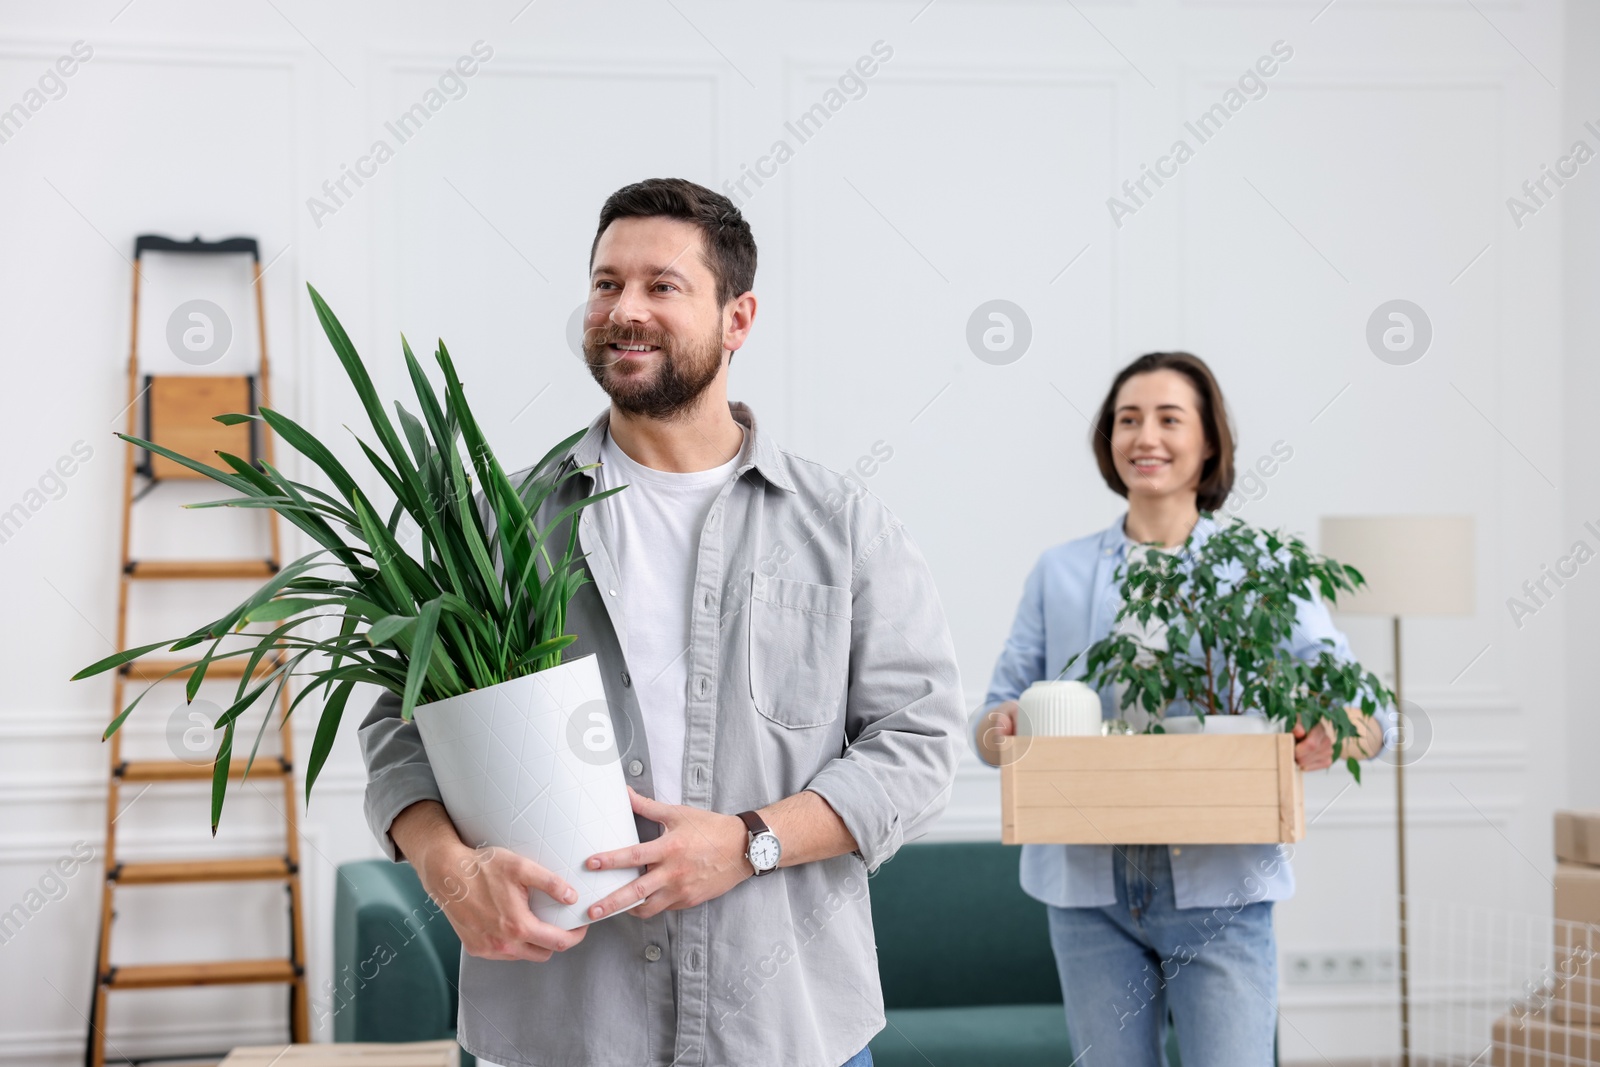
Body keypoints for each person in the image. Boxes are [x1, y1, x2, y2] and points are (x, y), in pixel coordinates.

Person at [357, 178, 965, 1067]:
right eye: (606, 284)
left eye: (661, 285)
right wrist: (450, 871)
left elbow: (919, 742)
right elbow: (395, 726)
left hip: (787, 1036)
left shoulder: (842, 526)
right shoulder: (496, 525)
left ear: (738, 318)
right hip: (558, 1033)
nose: (623, 309)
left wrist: (749, 842)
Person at [971, 351, 1392, 1067]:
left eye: (1170, 419)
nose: (1146, 437)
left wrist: (1332, 735)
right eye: (1127, 419)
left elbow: (1364, 718)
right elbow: (992, 716)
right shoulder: (1061, 572)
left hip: (1222, 884)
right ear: (1109, 440)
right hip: (1086, 890)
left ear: (1209, 443)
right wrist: (1001, 729)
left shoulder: (1259, 568)